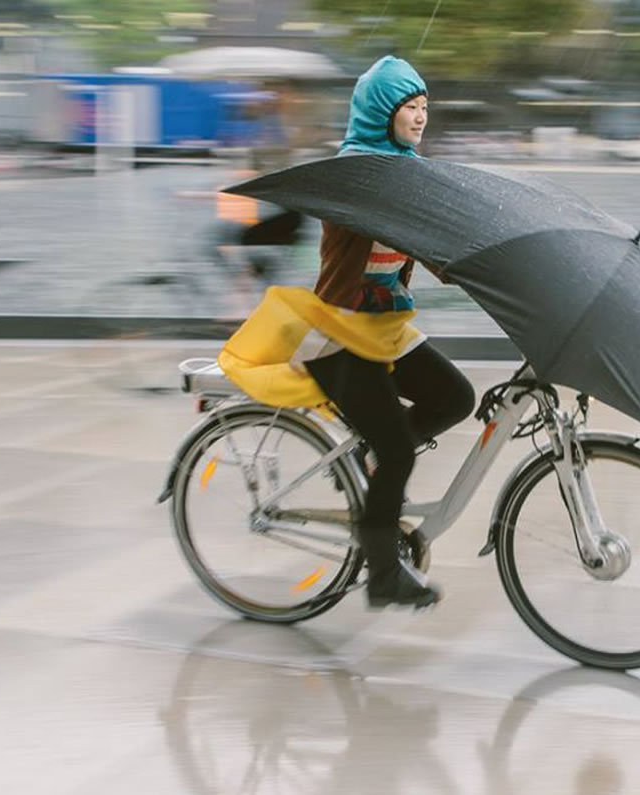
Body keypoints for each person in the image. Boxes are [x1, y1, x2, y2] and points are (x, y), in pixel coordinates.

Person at [217, 55, 474, 610]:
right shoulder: (354, 176)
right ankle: (382, 574)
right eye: (411, 107)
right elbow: (382, 223)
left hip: (383, 325)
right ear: (383, 111)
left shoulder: (401, 168)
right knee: (399, 450)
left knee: (456, 396)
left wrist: (479, 272)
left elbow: (427, 245)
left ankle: (369, 461)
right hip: (339, 332)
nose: (422, 116)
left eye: (426, 107)